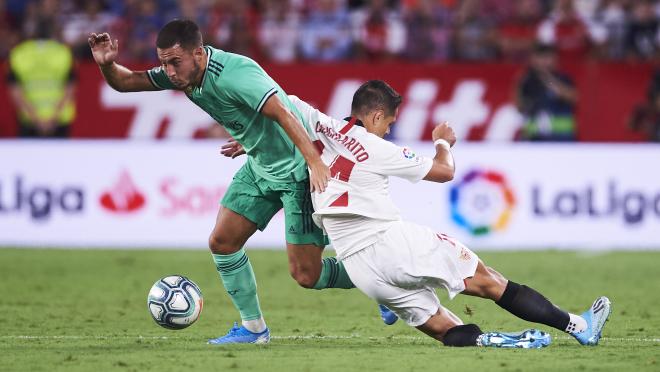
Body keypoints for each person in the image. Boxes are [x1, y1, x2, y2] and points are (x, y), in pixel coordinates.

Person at [88, 19, 356, 345]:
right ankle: (254, 329)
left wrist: (314, 162)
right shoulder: (185, 76)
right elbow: (127, 82)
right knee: (223, 243)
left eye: (175, 62)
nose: (169, 71)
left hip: (297, 170)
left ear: (198, 53)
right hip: (260, 165)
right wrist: (107, 65)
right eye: (163, 63)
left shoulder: (235, 74)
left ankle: (379, 279)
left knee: (306, 275)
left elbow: (284, 112)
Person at [290, 80, 611, 347]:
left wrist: (251, 140)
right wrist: (443, 143)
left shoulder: (319, 126)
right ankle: (579, 326)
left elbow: (276, 102)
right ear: (375, 116)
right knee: (490, 282)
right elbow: (444, 171)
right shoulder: (379, 148)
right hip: (391, 243)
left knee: (444, 328)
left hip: (360, 269)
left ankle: (492, 341)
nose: (388, 130)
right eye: (389, 122)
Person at [8, 21, 76, 138]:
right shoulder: (64, 52)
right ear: (53, 33)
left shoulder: (18, 54)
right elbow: (70, 90)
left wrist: (36, 120)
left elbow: (16, 93)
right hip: (59, 122)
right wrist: (53, 119)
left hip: (29, 122)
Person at [515, 43, 577, 141]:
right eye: (539, 57)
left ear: (555, 59)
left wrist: (547, 79)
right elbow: (519, 106)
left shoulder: (563, 79)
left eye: (546, 57)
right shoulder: (527, 81)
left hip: (560, 138)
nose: (543, 61)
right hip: (534, 138)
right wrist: (519, 83)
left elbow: (572, 97)